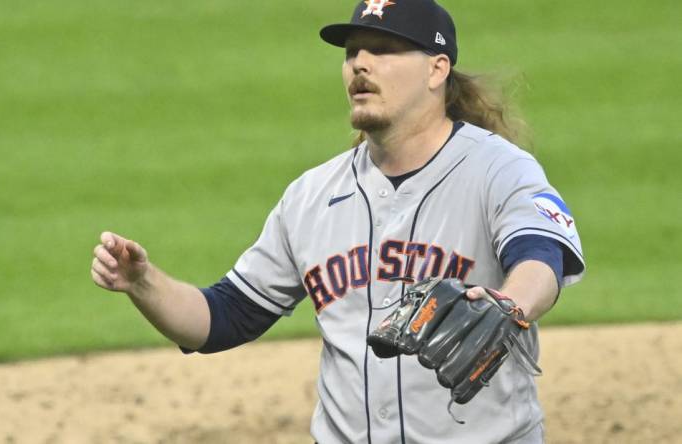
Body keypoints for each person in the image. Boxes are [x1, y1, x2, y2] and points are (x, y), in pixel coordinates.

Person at [90, 1, 585, 442]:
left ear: (437, 70)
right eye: (353, 53)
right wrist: (143, 283)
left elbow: (541, 254)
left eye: (384, 50)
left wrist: (509, 304)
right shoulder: (312, 196)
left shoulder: (497, 169)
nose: (360, 65)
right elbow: (223, 318)